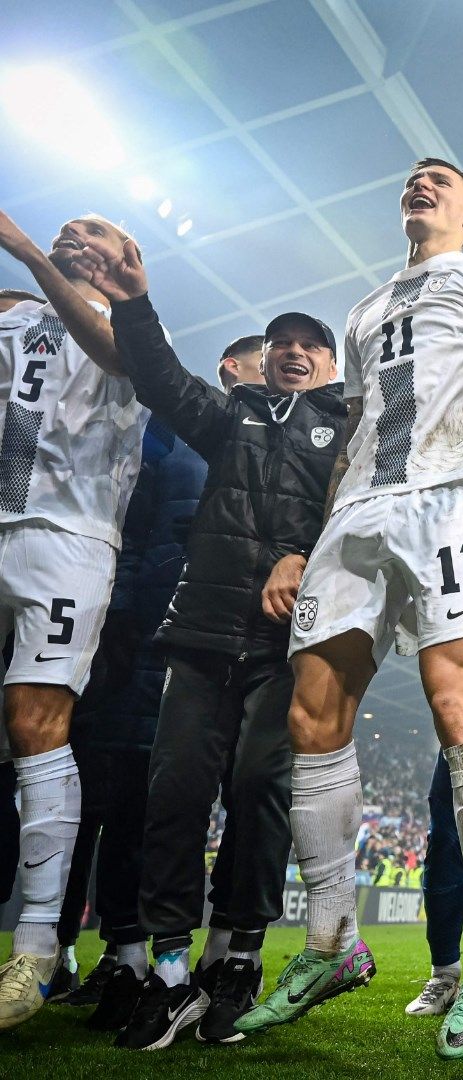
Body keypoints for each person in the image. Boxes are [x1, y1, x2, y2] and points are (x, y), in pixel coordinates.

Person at [233, 158, 463, 1061]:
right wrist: (312, 533)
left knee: (457, 701)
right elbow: (355, 427)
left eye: (441, 181)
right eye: (414, 179)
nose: (422, 185)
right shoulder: (365, 309)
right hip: (358, 510)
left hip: (451, 495)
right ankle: (333, 940)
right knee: (312, 716)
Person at [65, 229, 349, 1047]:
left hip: (290, 642)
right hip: (198, 634)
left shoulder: (352, 431)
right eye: (281, 342)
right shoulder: (232, 420)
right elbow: (159, 377)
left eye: (310, 344)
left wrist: (305, 556)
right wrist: (133, 300)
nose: (293, 352)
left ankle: (236, 957)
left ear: (330, 365)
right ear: (263, 362)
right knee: (175, 795)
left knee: (259, 788)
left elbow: (368, 511)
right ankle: (168, 970)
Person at [0, 210, 147, 1032]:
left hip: (69, 539)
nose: (71, 233)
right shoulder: (16, 313)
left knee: (36, 724)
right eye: (65, 227)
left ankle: (35, 950)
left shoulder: (132, 326)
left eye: (95, 229)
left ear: (126, 257)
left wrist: (25, 252)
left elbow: (121, 357)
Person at [53, 417, 202, 1044]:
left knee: (142, 815)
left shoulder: (182, 450)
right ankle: (119, 959)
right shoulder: (134, 439)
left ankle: (148, 964)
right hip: (116, 652)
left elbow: (168, 550)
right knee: (112, 811)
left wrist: (125, 616)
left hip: (149, 651)